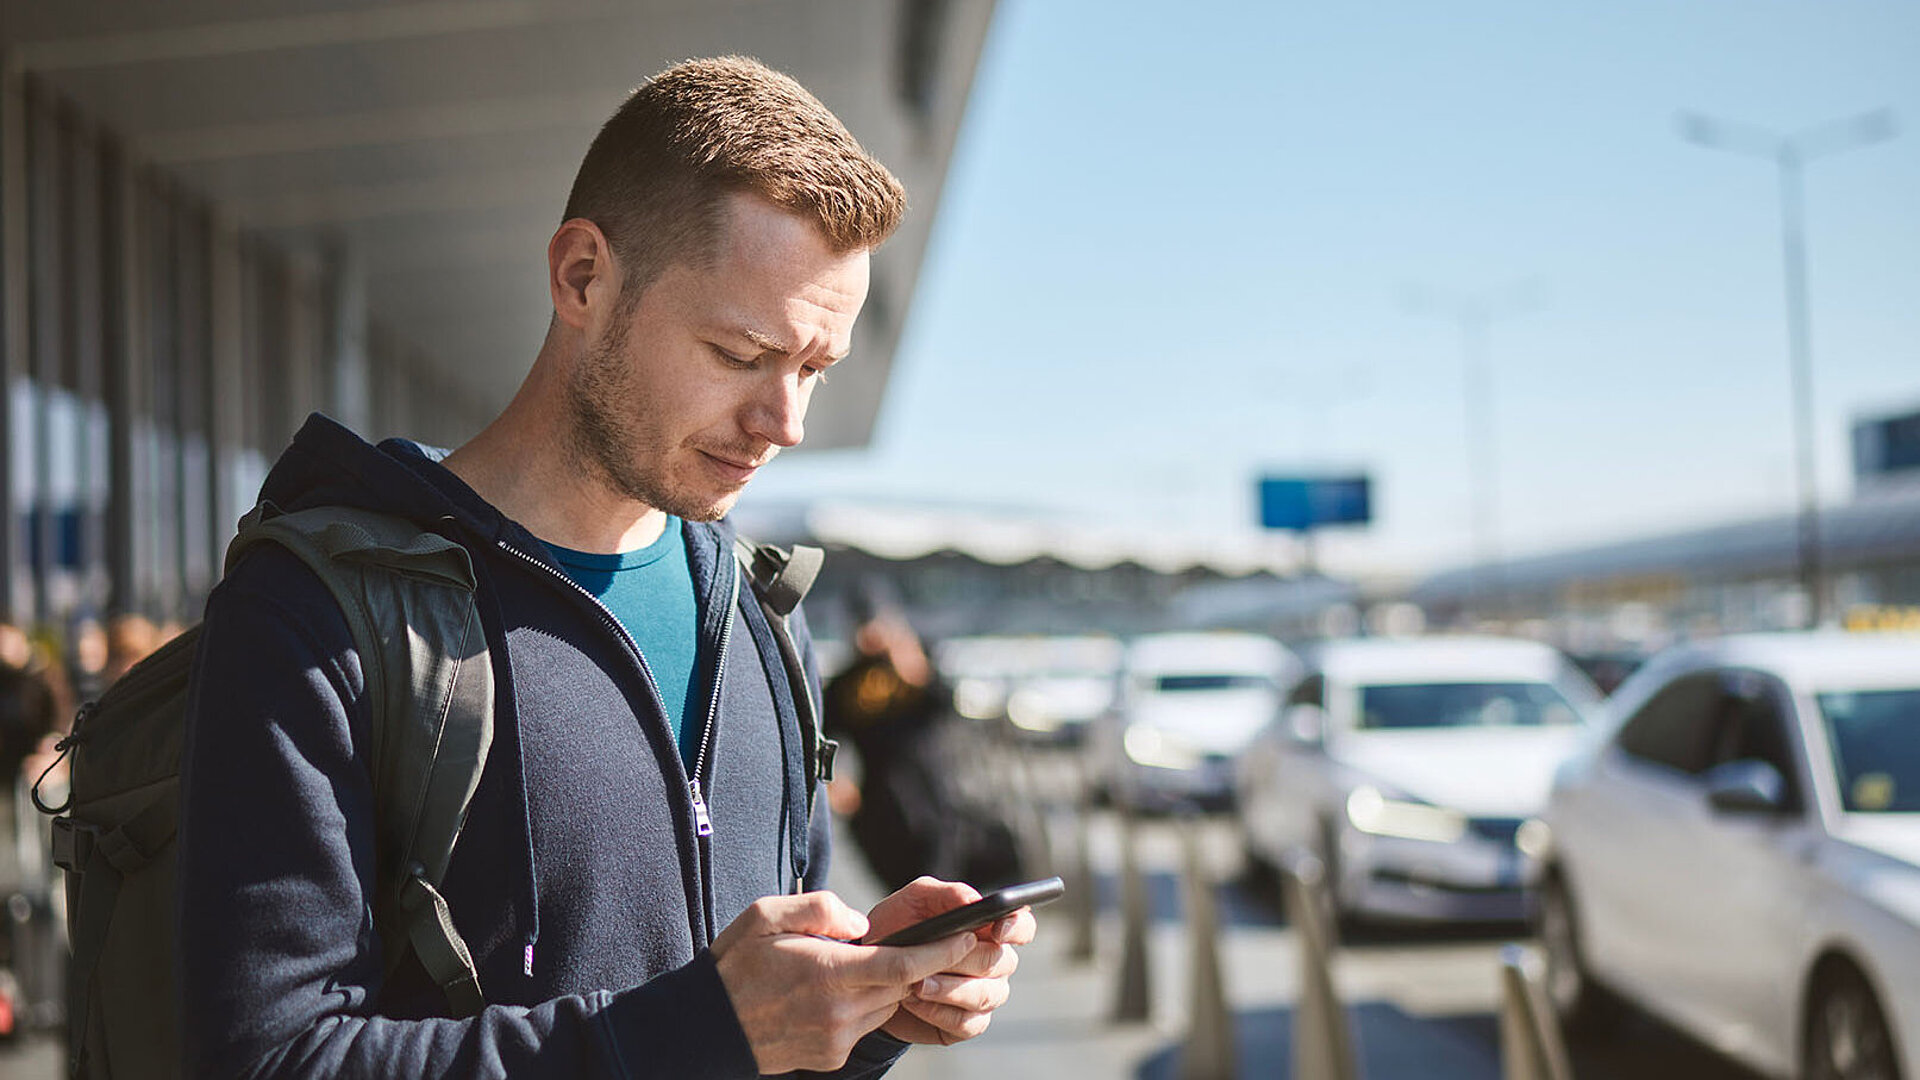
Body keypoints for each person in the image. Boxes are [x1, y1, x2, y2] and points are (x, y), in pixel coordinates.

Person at [179, 56, 1033, 1080]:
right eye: (741, 352)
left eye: (814, 368)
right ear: (583, 276)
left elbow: (762, 1042)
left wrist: (871, 1006)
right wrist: (688, 1031)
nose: (785, 423)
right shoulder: (320, 616)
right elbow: (268, 1059)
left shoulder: (765, 618)